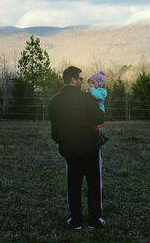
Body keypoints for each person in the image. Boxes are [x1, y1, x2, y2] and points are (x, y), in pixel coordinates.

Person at [49, 66, 107, 230]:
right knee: (94, 186)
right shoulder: (87, 98)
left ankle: (76, 222)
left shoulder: (54, 101)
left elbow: (54, 131)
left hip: (70, 151)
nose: (83, 81)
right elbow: (100, 119)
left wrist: (63, 143)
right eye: (81, 78)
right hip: (90, 149)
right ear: (73, 80)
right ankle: (95, 221)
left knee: (73, 187)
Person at [87, 71, 109, 145]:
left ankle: (99, 137)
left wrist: (92, 90)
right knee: (91, 125)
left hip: (99, 111)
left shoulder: (102, 91)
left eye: (93, 83)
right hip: (93, 111)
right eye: (89, 83)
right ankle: (100, 136)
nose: (90, 85)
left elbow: (98, 96)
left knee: (92, 124)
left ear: (99, 83)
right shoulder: (92, 90)